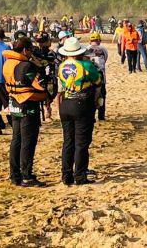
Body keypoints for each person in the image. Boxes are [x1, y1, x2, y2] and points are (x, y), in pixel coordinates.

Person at [55, 37, 102, 185]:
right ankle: (80, 176)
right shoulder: (87, 65)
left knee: (68, 141)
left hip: (66, 105)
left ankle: (66, 175)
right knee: (81, 142)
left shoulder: (62, 66)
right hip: (82, 104)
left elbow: (60, 88)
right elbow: (98, 81)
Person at [3, 37, 48, 187]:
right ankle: (26, 175)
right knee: (28, 141)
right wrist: (38, 66)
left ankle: (14, 174)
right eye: (29, 50)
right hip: (27, 106)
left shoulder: (8, 63)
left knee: (16, 140)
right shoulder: (26, 66)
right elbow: (39, 86)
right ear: (25, 50)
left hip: (14, 104)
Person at [86, 32, 109, 121]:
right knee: (102, 96)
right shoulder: (103, 49)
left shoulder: (86, 49)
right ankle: (101, 116)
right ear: (99, 40)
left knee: (90, 95)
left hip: (90, 76)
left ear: (90, 41)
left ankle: (91, 116)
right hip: (101, 76)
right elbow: (106, 59)